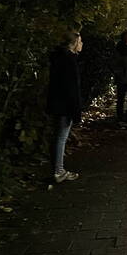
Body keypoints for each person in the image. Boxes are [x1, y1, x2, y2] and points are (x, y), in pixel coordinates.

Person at [46, 29, 83, 183]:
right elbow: (71, 88)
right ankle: (59, 171)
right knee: (61, 137)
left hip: (57, 102)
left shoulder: (59, 58)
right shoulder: (69, 61)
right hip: (65, 105)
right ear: (74, 44)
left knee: (58, 137)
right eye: (80, 41)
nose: (82, 44)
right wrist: (75, 110)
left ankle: (57, 168)